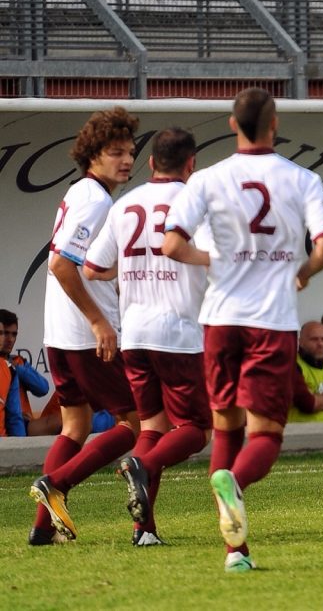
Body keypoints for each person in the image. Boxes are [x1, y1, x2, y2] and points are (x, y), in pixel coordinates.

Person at [163, 88, 323, 572]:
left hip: (220, 319)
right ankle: (235, 483)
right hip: (270, 321)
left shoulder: (207, 178)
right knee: (266, 435)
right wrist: (303, 271)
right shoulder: (301, 178)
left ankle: (235, 553)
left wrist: (213, 260)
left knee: (226, 426)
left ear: (231, 124)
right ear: (274, 124)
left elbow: (171, 244)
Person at [82, 127, 213, 546]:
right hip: (178, 331)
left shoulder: (125, 204)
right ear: (191, 164)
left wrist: (130, 268)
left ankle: (144, 530)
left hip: (135, 332)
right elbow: (214, 257)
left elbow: (92, 268)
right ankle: (142, 466)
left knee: (153, 427)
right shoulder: (194, 201)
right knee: (197, 428)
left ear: (152, 162)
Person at [28, 107, 141, 546]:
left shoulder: (82, 192)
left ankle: (42, 528)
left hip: (60, 332)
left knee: (74, 426)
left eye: (130, 152)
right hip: (84, 335)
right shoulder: (96, 201)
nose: (127, 160)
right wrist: (98, 321)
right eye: (116, 152)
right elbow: (60, 264)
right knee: (136, 423)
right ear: (93, 155)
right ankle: (57, 485)